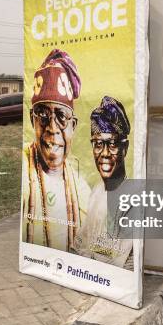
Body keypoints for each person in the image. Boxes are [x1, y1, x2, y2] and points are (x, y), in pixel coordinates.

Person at [22, 49, 91, 252]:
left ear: (74, 125)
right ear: (31, 118)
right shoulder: (23, 169)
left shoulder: (81, 187)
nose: (52, 128)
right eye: (42, 114)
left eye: (61, 116)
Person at [73, 96, 133, 269]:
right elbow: (80, 244)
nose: (105, 153)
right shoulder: (96, 192)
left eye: (112, 144)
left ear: (125, 148)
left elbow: (130, 263)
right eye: (98, 144)